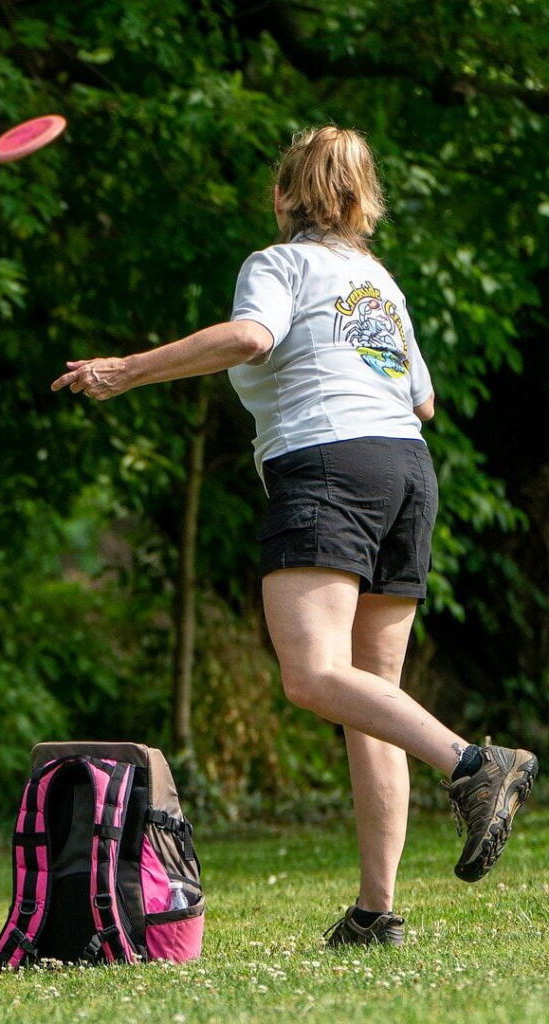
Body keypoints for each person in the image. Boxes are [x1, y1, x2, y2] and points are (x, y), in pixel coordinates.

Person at [50, 125, 538, 947]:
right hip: (406, 469)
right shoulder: (379, 282)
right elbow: (423, 401)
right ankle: (376, 913)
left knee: (313, 676)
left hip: (329, 465)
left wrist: (127, 369)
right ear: (360, 200)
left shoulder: (277, 264)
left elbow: (251, 338)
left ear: (283, 196)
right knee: (369, 699)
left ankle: (473, 764)